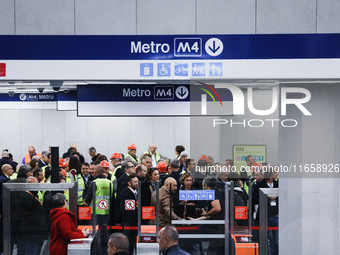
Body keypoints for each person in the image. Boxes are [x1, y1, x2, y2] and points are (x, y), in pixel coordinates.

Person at [119, 174, 138, 255]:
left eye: (137, 181)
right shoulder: (126, 193)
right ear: (129, 183)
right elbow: (125, 209)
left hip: (134, 222)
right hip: (129, 222)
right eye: (135, 182)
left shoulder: (136, 192)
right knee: (129, 241)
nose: (137, 183)